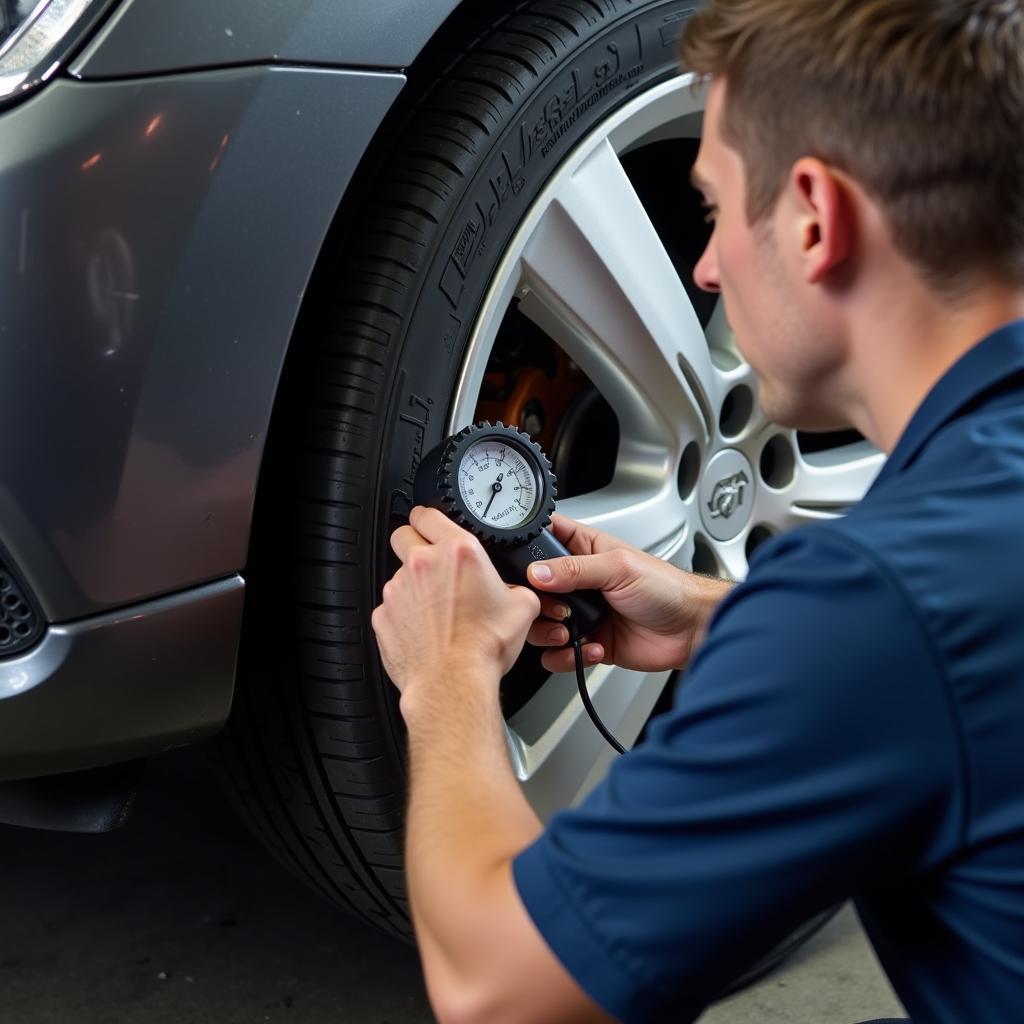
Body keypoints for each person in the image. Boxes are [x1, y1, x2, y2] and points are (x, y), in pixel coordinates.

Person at [370, 1, 1024, 1020]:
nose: (706, 267)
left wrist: (445, 675)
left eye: (714, 209)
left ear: (816, 217)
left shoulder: (883, 606)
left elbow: (498, 991)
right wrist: (729, 618)